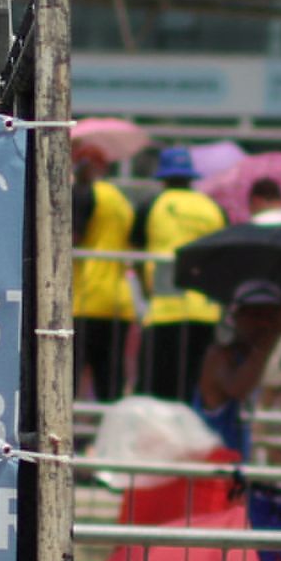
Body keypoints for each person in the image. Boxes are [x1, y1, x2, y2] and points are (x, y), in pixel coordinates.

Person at [133, 147, 229, 412]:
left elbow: (137, 254)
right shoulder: (212, 208)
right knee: (192, 386)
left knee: (155, 388)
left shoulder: (153, 205)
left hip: (165, 310)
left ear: (163, 177)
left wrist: (146, 290)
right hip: (204, 311)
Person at [190, 279, 281, 459]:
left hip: (232, 471)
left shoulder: (250, 358)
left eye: (270, 317)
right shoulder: (218, 356)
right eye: (255, 315)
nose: (263, 324)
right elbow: (238, 388)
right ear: (236, 316)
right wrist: (274, 335)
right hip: (209, 474)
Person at [71, 145, 137, 403]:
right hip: (118, 301)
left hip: (86, 297)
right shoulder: (121, 200)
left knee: (68, 382)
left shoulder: (86, 194)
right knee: (110, 384)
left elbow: (74, 236)